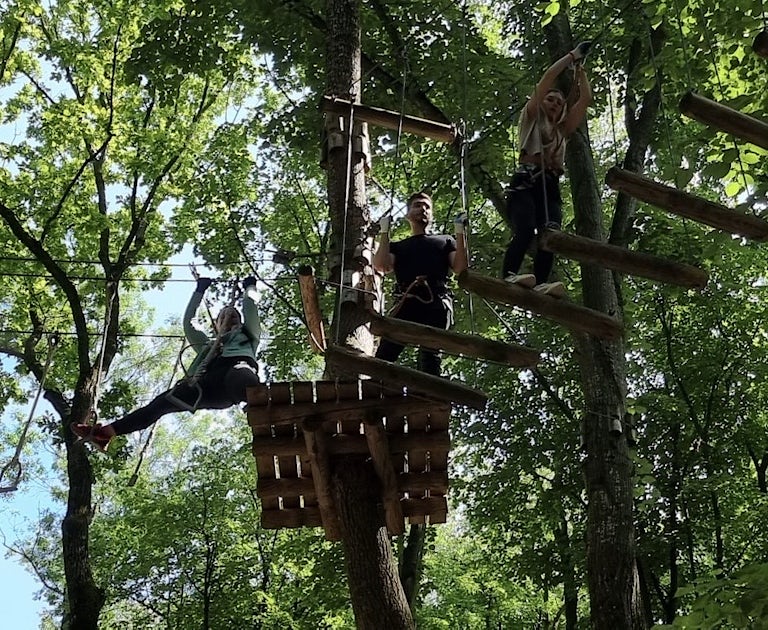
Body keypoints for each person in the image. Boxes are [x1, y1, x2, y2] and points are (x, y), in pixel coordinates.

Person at [71, 276, 262, 452]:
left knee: (242, 375)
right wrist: (199, 291)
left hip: (235, 373)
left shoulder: (248, 336)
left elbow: (251, 308)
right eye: (223, 317)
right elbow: (189, 324)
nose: (230, 317)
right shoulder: (207, 346)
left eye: (234, 315)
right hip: (206, 386)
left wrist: (249, 288)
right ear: (217, 325)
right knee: (160, 404)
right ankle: (104, 434)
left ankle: (257, 404)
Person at [502, 41, 593, 297]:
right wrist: (571, 56)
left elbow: (585, 99)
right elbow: (548, 77)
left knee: (550, 235)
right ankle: (509, 273)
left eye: (558, 102)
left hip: (549, 185)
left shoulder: (562, 131)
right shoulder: (531, 116)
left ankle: (541, 281)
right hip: (526, 181)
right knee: (525, 228)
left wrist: (581, 71)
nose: (553, 103)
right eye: (550, 99)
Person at [372, 191, 468, 376]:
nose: (423, 209)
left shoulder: (445, 240)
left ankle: (429, 395)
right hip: (407, 301)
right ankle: (376, 390)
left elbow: (460, 267)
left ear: (431, 215)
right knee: (385, 352)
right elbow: (382, 265)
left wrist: (460, 233)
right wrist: (384, 233)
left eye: (427, 207)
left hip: (437, 301)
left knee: (430, 353)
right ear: (407, 214)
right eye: (417, 205)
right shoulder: (398, 246)